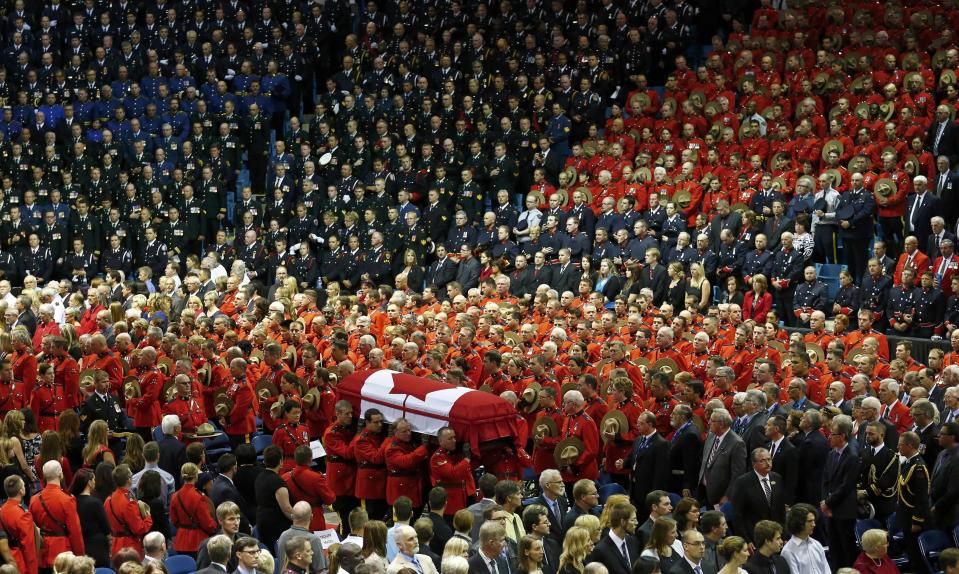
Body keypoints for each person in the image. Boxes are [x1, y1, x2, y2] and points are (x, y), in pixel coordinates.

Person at [29, 460, 84, 570]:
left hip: (42, 552)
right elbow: (75, 531)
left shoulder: (34, 500)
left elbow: (32, 529)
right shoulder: (67, 500)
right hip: (62, 552)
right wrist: (80, 556)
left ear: (44, 476)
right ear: (61, 474)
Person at [729, 448, 785, 542]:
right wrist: (746, 540)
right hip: (755, 536)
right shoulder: (743, 482)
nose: (768, 463)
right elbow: (737, 514)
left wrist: (784, 535)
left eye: (769, 459)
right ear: (754, 463)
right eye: (763, 461)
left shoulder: (777, 478)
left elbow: (781, 510)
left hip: (776, 535)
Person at [169, 462, 218, 558]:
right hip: (198, 541)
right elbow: (207, 523)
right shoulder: (199, 497)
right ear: (196, 476)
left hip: (181, 541)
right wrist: (216, 527)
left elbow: (174, 520)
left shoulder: (175, 496)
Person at [105, 464, 153, 557]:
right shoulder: (128, 502)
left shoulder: (108, 500)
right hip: (129, 547)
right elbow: (139, 528)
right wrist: (148, 516)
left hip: (115, 545)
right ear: (129, 480)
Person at [255, 445, 294, 553]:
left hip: (262, 521)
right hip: (276, 526)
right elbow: (286, 509)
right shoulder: (278, 482)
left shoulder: (259, 476)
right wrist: (300, 520)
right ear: (281, 462)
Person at [0, 475, 36, 574]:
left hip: (10, 559)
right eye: (24, 486)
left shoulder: (2, 509)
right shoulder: (23, 514)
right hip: (21, 562)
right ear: (21, 491)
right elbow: (29, 546)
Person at [780, 504, 828, 574]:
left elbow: (826, 570)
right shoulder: (788, 551)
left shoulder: (816, 544)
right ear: (798, 523)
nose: (813, 524)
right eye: (809, 521)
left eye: (814, 521)